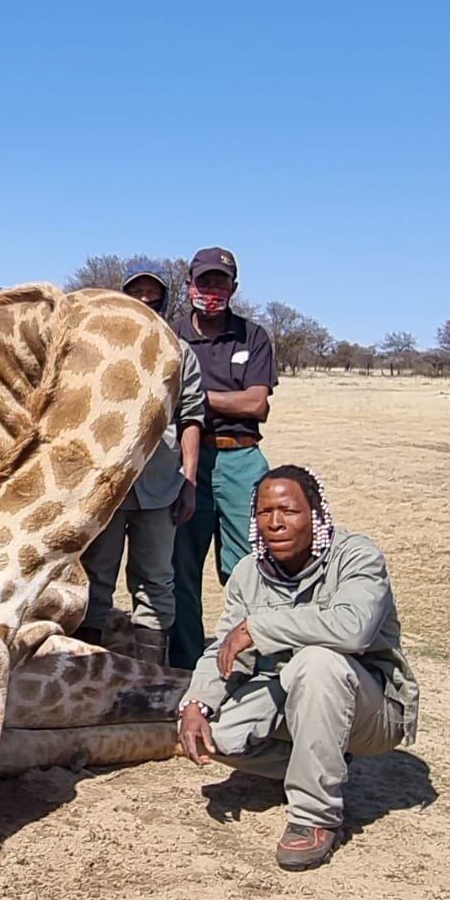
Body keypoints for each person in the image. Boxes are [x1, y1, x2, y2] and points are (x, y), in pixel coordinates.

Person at [176, 467, 418, 871]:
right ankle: (321, 762)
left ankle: (314, 818)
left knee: (318, 661)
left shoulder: (357, 556)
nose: (275, 522)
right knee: (216, 736)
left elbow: (353, 629)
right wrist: (196, 703)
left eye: (288, 510)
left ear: (317, 515)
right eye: (264, 512)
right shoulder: (249, 574)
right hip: (291, 692)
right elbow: (227, 648)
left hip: (371, 709)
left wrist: (260, 627)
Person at [78, 265, 205, 663]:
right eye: (138, 294)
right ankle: (88, 673)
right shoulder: (101, 350)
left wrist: (189, 479)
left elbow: (191, 418)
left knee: (155, 583)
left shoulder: (179, 352)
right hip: (108, 487)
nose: (146, 301)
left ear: (165, 300)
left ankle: (153, 675)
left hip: (161, 484)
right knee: (95, 579)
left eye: (153, 294)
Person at [170, 246, 277, 669]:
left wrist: (193, 395)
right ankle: (185, 666)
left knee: (247, 568)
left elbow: (256, 406)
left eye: (220, 283)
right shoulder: (170, 334)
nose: (211, 291)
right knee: (180, 571)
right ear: (188, 284)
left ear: (233, 287)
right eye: (204, 281)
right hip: (186, 458)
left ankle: (247, 661)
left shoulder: (252, 335)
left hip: (242, 460)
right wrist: (223, 401)